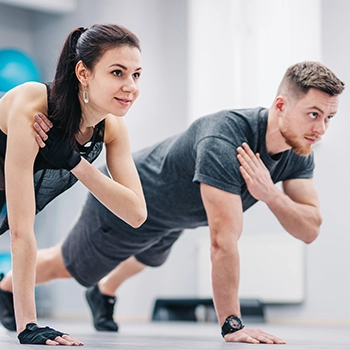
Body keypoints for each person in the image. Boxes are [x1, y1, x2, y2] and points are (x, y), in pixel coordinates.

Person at [0, 61, 344, 344]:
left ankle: (103, 292)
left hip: (176, 216)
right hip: (130, 202)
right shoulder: (225, 137)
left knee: (150, 257)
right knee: (69, 265)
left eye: (329, 117)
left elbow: (310, 228)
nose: (321, 128)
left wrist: (269, 193)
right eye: (313, 114)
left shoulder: (298, 148)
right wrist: (232, 324)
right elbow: (222, 240)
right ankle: (6, 284)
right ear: (281, 105)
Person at [0, 23, 147, 346]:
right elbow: (21, 230)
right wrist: (30, 327)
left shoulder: (112, 127)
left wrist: (74, 161)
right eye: (118, 73)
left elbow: (136, 213)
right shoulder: (33, 103)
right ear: (83, 72)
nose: (131, 86)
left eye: (136, 75)